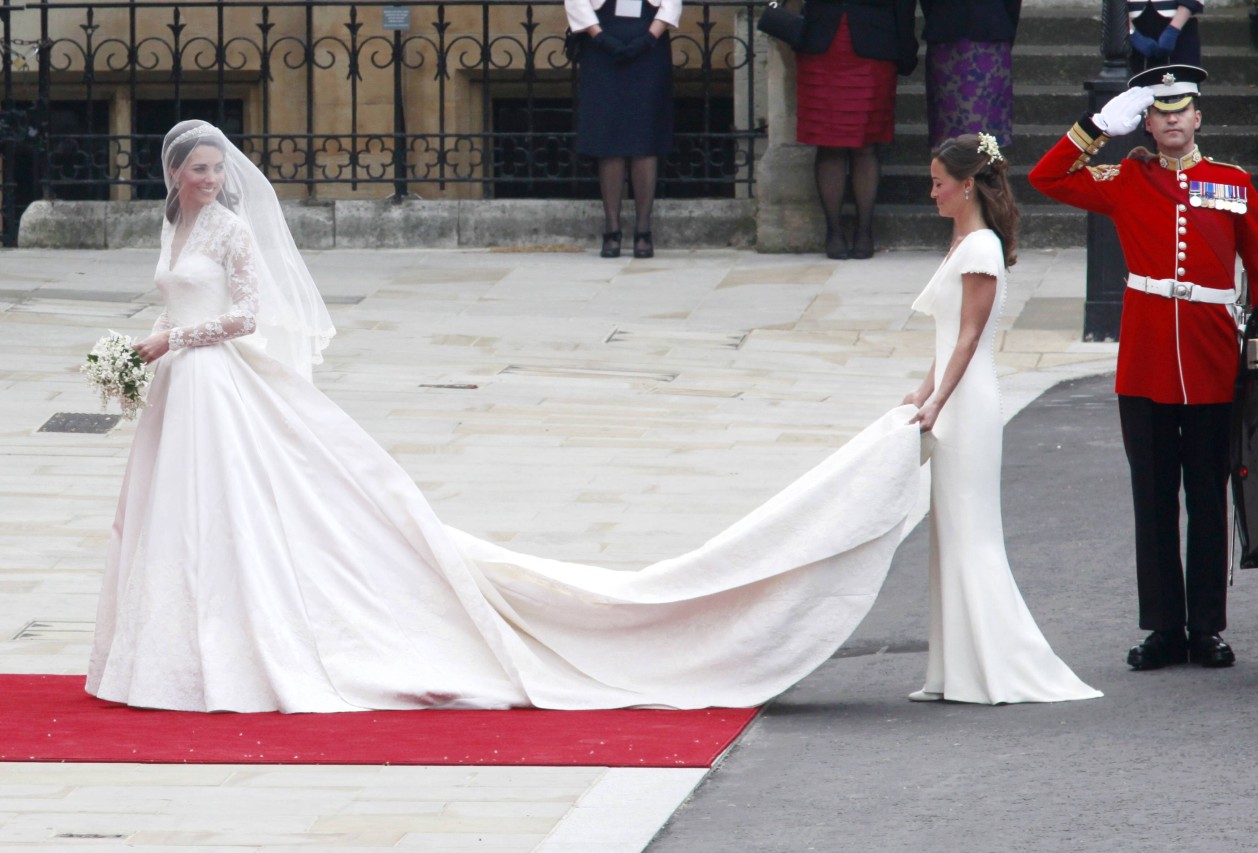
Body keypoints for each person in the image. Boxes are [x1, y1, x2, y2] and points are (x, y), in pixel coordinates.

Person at [88, 119, 937, 714]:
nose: (207, 178)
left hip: (213, 380)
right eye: (195, 169)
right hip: (180, 387)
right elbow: (179, 296)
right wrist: (141, 347)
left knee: (234, 507)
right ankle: (166, 649)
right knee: (174, 514)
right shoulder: (175, 226)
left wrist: (171, 342)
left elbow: (246, 317)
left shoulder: (234, 229)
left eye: (214, 168)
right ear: (174, 176)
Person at [1028, 65, 1258, 671]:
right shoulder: (1126, 178)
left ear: (1197, 118)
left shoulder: (1233, 183)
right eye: (1158, 111)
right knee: (1155, 498)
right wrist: (1094, 129)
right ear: (1146, 120)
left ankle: (1206, 627)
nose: (1170, 120)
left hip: (1214, 359)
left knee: (1210, 501)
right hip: (1145, 363)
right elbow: (1046, 176)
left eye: (1180, 109)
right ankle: (1165, 627)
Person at [901, 133, 1102, 704]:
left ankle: (996, 665)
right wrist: (921, 391)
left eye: (939, 181)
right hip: (951, 396)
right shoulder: (963, 240)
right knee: (948, 533)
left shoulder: (982, 248)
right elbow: (946, 338)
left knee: (972, 534)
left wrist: (938, 399)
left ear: (967, 185)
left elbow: (970, 336)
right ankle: (953, 670)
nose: (932, 191)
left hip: (968, 404)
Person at [796, 0, 918, 260]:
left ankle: (864, 231)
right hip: (822, 44)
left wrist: (906, 48)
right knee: (828, 143)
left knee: (866, 144)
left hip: (874, 44)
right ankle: (834, 231)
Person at [565, 0, 679, 259]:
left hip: (649, 46)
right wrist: (600, 37)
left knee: (645, 135)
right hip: (601, 46)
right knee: (609, 136)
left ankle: (643, 231)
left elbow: (672, 3)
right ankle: (612, 229)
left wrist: (650, 38)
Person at [918, 0, 1021, 149]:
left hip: (955, 30)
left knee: (959, 132)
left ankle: (972, 167)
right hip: (977, 31)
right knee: (967, 130)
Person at [1127, 0, 1201, 74]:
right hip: (1131, 27)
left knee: (1184, 79)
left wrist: (1173, 30)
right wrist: (1133, 34)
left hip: (1182, 26)